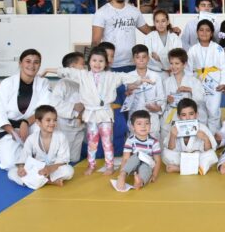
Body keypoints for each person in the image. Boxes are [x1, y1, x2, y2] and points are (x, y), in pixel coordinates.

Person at [41, 47, 152, 175]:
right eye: (94, 60)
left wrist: (141, 79)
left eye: (101, 61)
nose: (97, 64)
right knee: (92, 142)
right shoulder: (83, 75)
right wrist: (48, 70)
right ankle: (91, 165)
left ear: (106, 63)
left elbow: (126, 77)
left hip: (105, 113)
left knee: (107, 141)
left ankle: (109, 166)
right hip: (91, 114)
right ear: (89, 62)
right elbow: (67, 71)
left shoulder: (111, 76)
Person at [0, 49, 51, 170]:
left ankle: (35, 155)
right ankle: (28, 156)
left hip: (33, 125)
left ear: (39, 65)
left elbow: (44, 109)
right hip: (10, 128)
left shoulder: (43, 83)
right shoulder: (7, 83)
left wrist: (25, 123)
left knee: (46, 128)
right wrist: (12, 131)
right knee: (9, 164)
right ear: (20, 63)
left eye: (36, 62)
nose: (32, 65)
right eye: (28, 61)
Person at [92, 0, 152, 72]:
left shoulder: (134, 11)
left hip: (131, 64)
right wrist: (94, 66)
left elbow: (148, 30)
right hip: (110, 65)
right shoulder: (101, 12)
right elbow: (95, 42)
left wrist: (169, 29)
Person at [7, 105, 74, 189]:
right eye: (48, 120)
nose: (52, 123)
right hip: (37, 169)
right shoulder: (32, 138)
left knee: (69, 170)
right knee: (11, 172)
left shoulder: (61, 137)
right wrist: (21, 168)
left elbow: (63, 160)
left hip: (53, 168)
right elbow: (24, 157)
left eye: (55, 120)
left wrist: (49, 169)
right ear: (38, 122)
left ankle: (35, 181)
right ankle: (49, 181)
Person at [187, 19, 225, 134]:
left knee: (214, 111)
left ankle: (214, 139)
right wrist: (191, 85)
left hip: (215, 84)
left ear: (211, 33)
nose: (204, 33)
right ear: (197, 33)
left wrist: (224, 82)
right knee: (200, 111)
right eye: (201, 30)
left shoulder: (217, 48)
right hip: (198, 83)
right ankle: (203, 137)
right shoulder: (192, 50)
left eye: (207, 30)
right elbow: (188, 70)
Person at [160, 48, 207, 142]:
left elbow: (201, 99)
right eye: (171, 63)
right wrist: (167, 100)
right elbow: (161, 101)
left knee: (189, 143)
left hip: (188, 117)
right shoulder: (166, 82)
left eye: (177, 63)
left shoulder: (193, 81)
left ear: (184, 64)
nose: (173, 66)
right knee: (170, 142)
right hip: (171, 116)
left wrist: (190, 90)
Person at [163, 98, 218, 174]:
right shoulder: (175, 128)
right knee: (166, 154)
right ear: (178, 116)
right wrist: (172, 136)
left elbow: (209, 150)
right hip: (181, 157)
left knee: (211, 155)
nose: (188, 118)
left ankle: (179, 169)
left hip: (197, 157)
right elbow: (170, 149)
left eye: (191, 114)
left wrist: (206, 139)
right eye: (184, 115)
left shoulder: (202, 128)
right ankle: (197, 169)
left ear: (196, 114)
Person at [49, 52, 87, 163]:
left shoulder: (85, 83)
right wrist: (74, 107)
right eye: (82, 64)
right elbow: (54, 104)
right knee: (62, 156)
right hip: (64, 126)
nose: (85, 67)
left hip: (80, 126)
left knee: (75, 158)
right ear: (72, 67)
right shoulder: (63, 83)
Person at [123, 45, 165, 137]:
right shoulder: (127, 77)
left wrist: (158, 108)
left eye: (144, 57)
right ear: (133, 59)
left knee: (153, 144)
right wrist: (127, 92)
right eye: (137, 57)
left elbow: (161, 97)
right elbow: (124, 99)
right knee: (134, 143)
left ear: (148, 58)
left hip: (152, 118)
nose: (141, 60)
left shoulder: (156, 76)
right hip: (134, 119)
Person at [116, 110, 162, 190]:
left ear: (150, 125)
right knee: (137, 155)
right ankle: (123, 175)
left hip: (146, 164)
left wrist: (154, 175)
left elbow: (157, 160)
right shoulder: (130, 140)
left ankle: (140, 182)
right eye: (139, 123)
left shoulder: (154, 142)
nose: (143, 126)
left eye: (147, 123)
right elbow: (125, 158)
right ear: (133, 127)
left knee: (146, 167)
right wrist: (122, 171)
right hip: (132, 166)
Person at [144, 9, 182, 77]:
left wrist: (159, 58)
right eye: (157, 21)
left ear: (168, 22)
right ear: (154, 23)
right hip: (154, 73)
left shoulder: (174, 37)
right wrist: (166, 60)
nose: (160, 24)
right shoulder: (149, 37)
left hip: (172, 73)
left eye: (163, 21)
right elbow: (149, 57)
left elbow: (178, 56)